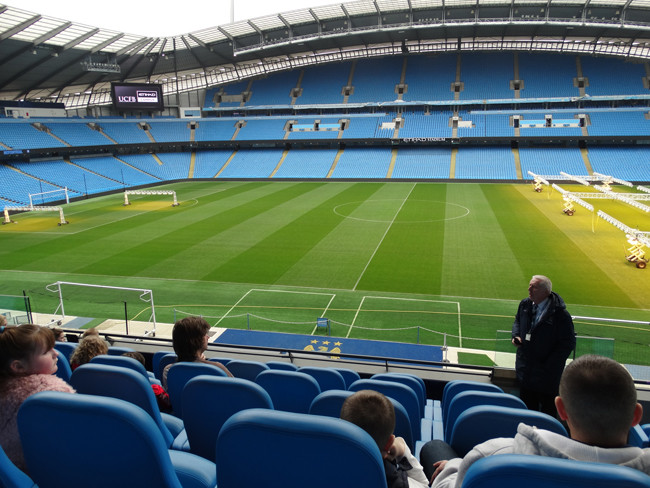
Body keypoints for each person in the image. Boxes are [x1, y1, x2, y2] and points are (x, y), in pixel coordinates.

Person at [427, 355, 650, 487]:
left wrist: (455, 466)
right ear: (636, 416)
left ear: (561, 409)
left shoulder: (494, 456)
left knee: (435, 447)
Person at [0, 324, 75, 473]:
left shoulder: (6, 388)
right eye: (47, 351)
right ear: (19, 367)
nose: (56, 354)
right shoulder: (55, 393)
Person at [512, 275, 575, 417]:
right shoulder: (525, 305)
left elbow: (567, 343)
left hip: (547, 378)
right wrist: (516, 335)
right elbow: (517, 321)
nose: (529, 289)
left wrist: (547, 365)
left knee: (548, 415)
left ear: (546, 292)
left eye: (534, 287)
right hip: (526, 373)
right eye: (530, 285)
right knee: (527, 413)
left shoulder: (560, 315)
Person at [340, 389, 429, 488]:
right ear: (390, 443)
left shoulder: (323, 462)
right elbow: (423, 484)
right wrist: (403, 450)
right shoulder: (398, 483)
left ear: (341, 425)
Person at [162, 316, 232, 389]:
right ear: (196, 341)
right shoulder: (218, 369)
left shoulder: (168, 371)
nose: (208, 337)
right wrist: (201, 362)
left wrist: (199, 360)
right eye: (205, 335)